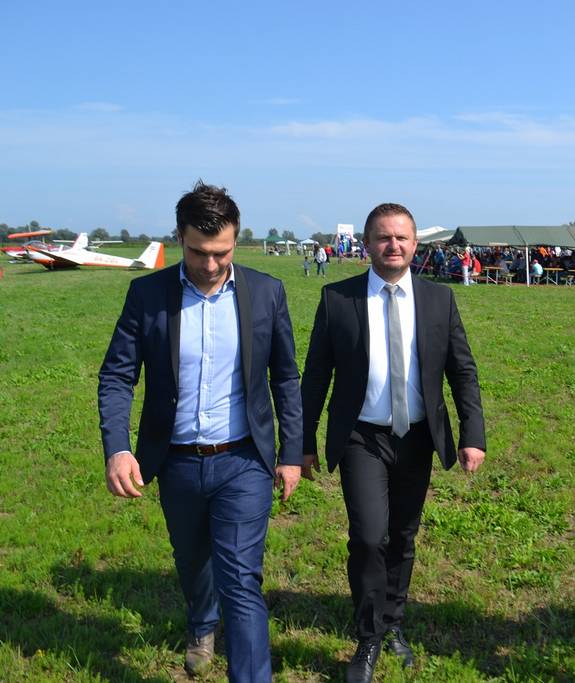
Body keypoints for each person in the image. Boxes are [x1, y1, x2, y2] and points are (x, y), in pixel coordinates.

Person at [98, 181, 303, 681]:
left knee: (241, 580)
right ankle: (201, 624)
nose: (210, 265)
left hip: (244, 460)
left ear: (236, 240)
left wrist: (292, 452)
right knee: (192, 562)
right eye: (197, 252)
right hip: (177, 461)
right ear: (179, 238)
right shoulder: (147, 295)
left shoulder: (266, 293)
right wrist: (118, 448)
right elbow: (118, 375)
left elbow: (285, 377)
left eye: (222, 252)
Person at [300, 203, 486, 683]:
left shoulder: (439, 299)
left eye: (402, 237)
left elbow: (462, 371)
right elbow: (316, 374)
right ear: (366, 244)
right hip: (361, 437)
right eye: (384, 237)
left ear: (415, 244)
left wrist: (473, 435)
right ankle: (368, 637)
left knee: (403, 536)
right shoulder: (337, 299)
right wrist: (302, 442)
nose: (393, 245)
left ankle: (393, 623)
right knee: (368, 537)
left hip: (417, 437)